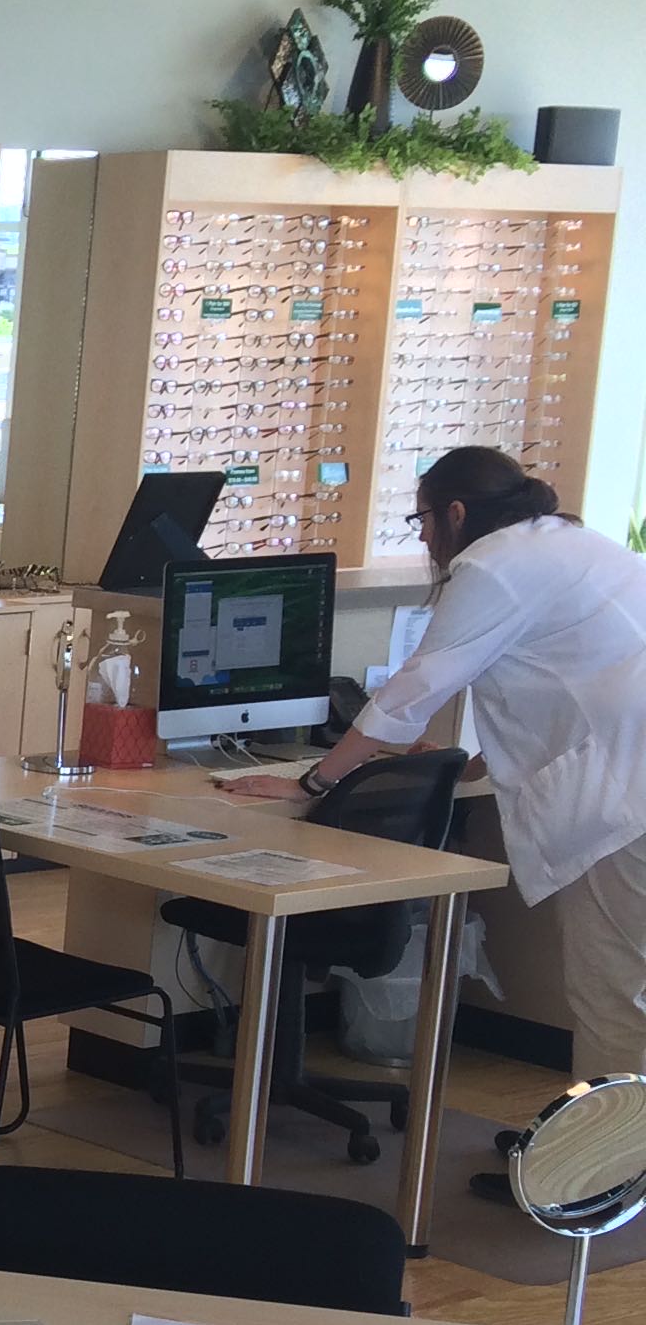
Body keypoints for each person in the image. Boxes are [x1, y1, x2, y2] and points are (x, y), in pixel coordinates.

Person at [220, 446, 646, 1199]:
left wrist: (314, 780)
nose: (421, 537)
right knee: (624, 989)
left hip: (624, 802)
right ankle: (597, 1145)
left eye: (421, 520)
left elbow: (415, 687)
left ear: (455, 512)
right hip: (623, 777)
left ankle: (596, 1179)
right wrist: (474, 764)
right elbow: (572, 674)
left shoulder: (492, 564)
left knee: (614, 994)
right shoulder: (568, 544)